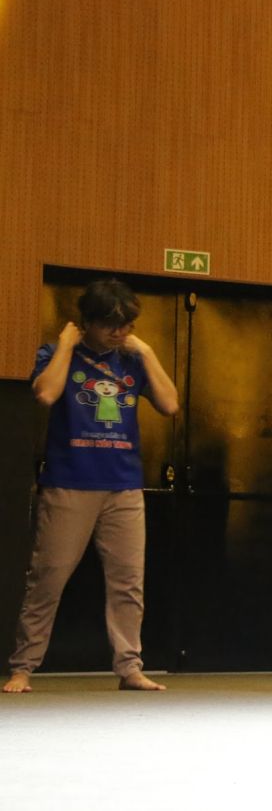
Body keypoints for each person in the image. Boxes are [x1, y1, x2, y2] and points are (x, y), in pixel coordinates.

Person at [4, 279, 179, 694]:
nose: (119, 332)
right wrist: (66, 345)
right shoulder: (55, 354)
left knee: (128, 581)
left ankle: (130, 667)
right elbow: (46, 394)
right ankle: (23, 667)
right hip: (70, 483)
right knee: (48, 577)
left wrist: (148, 352)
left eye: (126, 325)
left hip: (124, 485)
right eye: (109, 325)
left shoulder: (132, 359)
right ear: (88, 322)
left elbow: (170, 404)